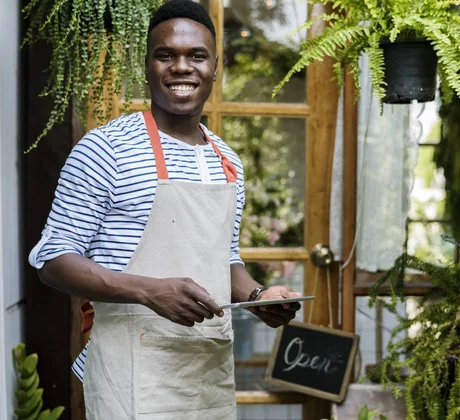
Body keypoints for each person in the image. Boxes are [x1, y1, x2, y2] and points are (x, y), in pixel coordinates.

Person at [28, 1, 302, 418]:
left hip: (206, 370)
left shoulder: (226, 161)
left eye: (196, 56)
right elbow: (53, 260)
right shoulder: (106, 149)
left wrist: (258, 297)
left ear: (215, 67)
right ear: (147, 67)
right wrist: (149, 290)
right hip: (132, 370)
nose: (181, 67)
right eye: (165, 55)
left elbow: (223, 258)